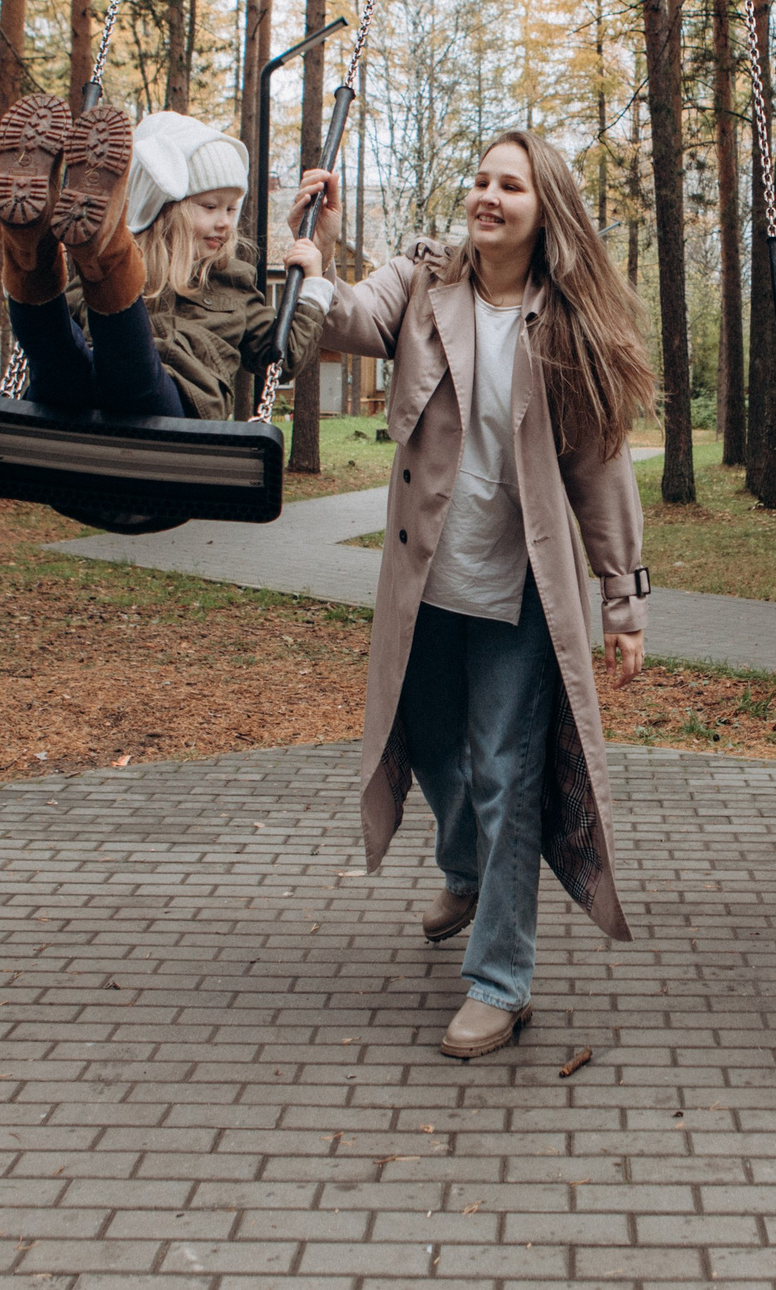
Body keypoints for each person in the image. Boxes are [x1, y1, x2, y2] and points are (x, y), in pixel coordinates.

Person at [292, 131, 656, 1059]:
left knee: (505, 772)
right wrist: (315, 256)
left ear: (547, 209)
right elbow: (344, 321)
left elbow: (601, 471)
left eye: (511, 185)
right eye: (482, 180)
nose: (487, 196)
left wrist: (624, 597)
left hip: (519, 595)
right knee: (429, 746)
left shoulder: (567, 327)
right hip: (424, 582)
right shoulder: (423, 282)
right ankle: (465, 868)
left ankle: (501, 978)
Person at [0, 97, 324, 416]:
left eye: (231, 209)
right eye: (209, 207)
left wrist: (313, 287)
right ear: (160, 208)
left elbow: (280, 359)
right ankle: (29, 248)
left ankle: (99, 253)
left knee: (132, 370)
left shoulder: (233, 280)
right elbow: (68, 320)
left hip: (175, 407)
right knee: (59, 361)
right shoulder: (118, 266)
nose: (225, 222)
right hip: (83, 400)